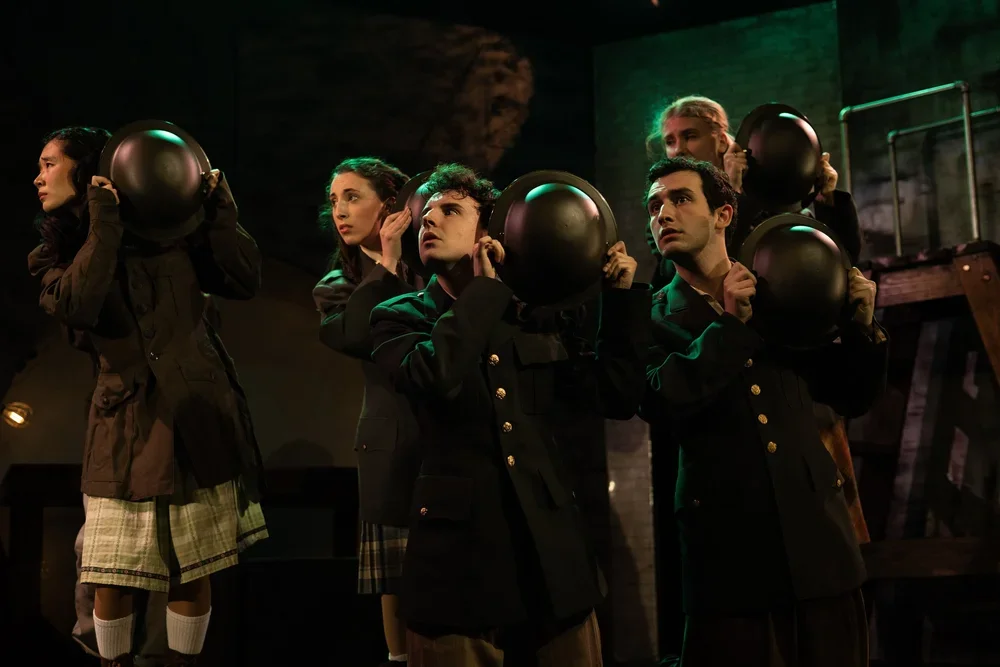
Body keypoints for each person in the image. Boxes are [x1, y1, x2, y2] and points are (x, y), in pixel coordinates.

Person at [369, 163, 652, 666]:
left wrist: (621, 302)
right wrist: (485, 290)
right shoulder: (399, 315)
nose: (428, 219)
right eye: (426, 212)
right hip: (458, 570)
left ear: (492, 233)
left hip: (550, 563)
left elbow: (617, 397)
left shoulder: (533, 316)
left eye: (450, 211)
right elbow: (434, 374)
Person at [28, 126, 268, 667]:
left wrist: (219, 210)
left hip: (195, 418)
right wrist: (104, 224)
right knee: (110, 573)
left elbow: (243, 279)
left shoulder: (173, 234)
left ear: (88, 170)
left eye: (49, 164)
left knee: (193, 568)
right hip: (123, 424)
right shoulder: (54, 253)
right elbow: (78, 305)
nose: (38, 177)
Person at [640, 156, 887, 666]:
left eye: (680, 199)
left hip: (821, 555)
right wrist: (730, 326)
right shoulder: (651, 315)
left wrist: (861, 330)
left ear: (724, 214)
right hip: (730, 568)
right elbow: (662, 401)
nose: (663, 213)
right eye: (654, 205)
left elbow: (851, 395)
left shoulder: (781, 287)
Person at [648, 95, 871, 543]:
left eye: (689, 136)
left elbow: (817, 265)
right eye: (670, 140)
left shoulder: (760, 201)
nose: (679, 148)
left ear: (722, 139)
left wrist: (826, 200)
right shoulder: (675, 223)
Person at [311, 157, 423, 666]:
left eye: (352, 197)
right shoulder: (337, 285)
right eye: (334, 200)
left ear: (391, 205)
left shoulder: (433, 269)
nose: (339, 211)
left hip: (450, 436)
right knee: (396, 582)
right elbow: (358, 334)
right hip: (391, 443)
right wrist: (386, 265)